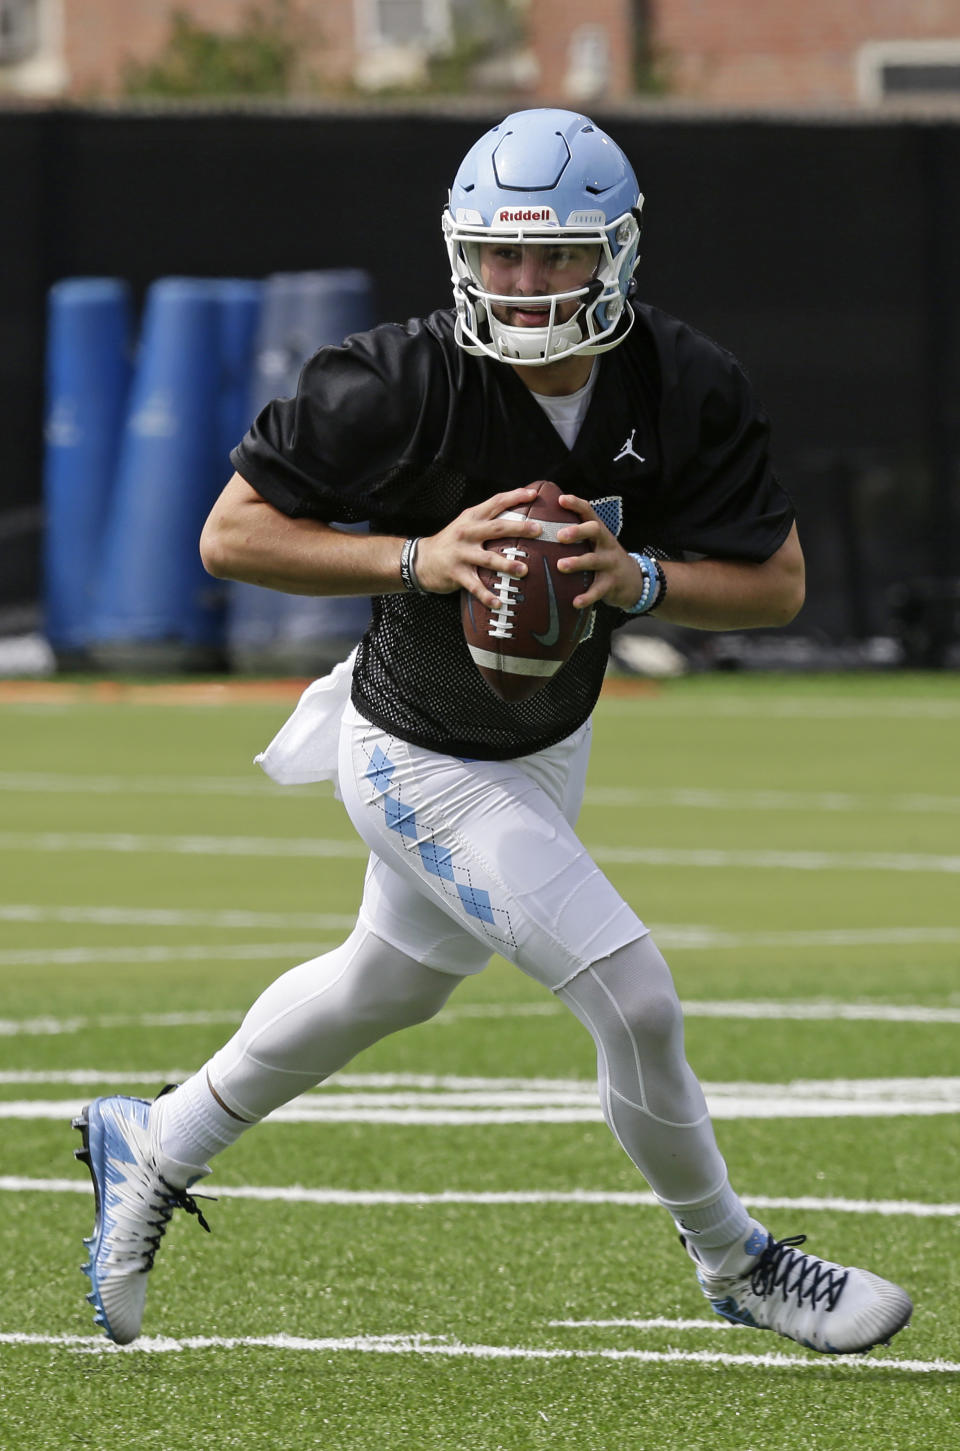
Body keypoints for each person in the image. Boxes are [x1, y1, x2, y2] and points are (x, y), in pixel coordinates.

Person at [73, 108, 911, 1354]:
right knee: (635, 997)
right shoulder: (394, 377)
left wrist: (645, 582)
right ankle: (735, 1256)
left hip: (541, 744)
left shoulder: (684, 380)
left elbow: (777, 582)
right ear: (462, 251)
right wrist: (420, 556)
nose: (524, 284)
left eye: (557, 253)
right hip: (411, 746)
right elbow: (230, 535)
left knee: (384, 983)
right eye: (501, 255)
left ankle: (156, 1134)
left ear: (615, 254)